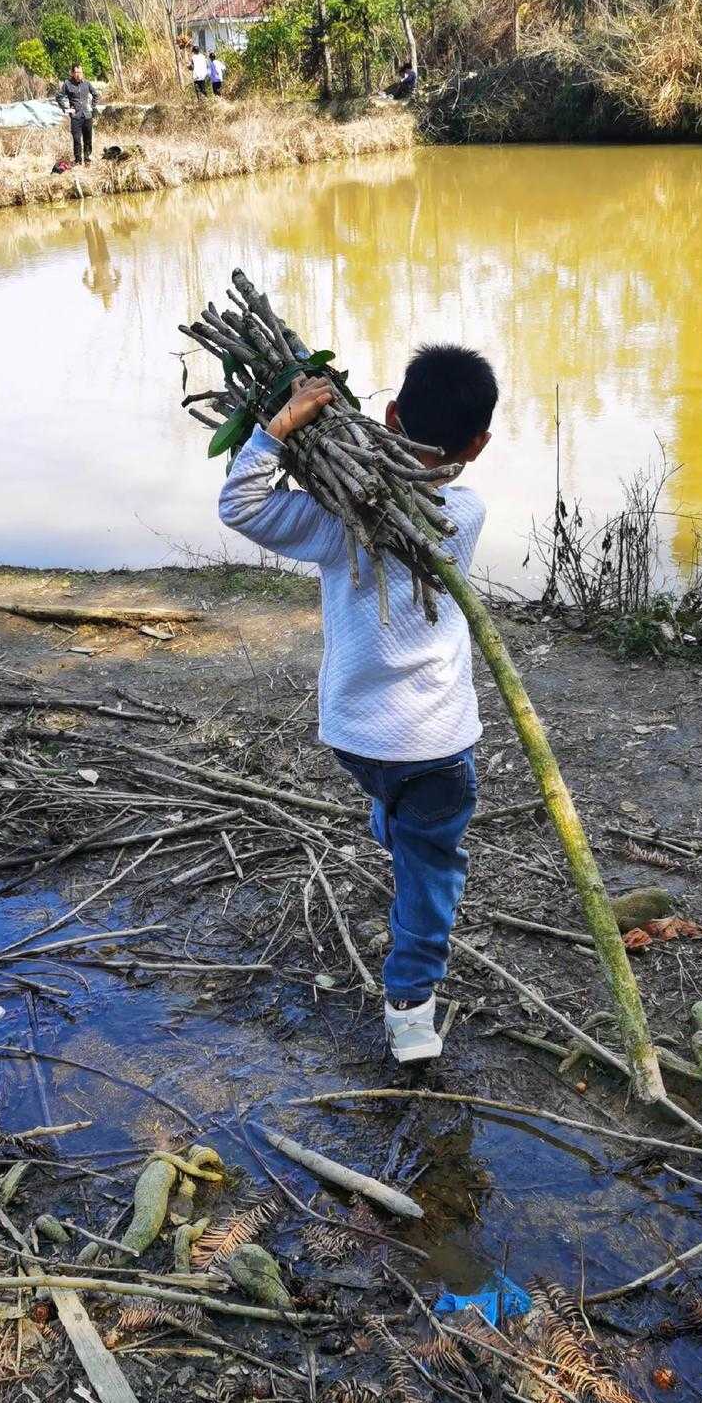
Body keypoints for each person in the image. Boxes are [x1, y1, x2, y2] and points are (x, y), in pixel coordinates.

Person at [219, 344, 498, 1064]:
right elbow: (412, 491)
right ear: (478, 444)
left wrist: (279, 431)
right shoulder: (464, 511)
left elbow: (239, 504)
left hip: (357, 738)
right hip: (436, 745)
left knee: (399, 811)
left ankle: (394, 827)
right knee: (432, 871)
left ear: (392, 414)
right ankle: (410, 1007)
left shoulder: (332, 515)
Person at [57, 64, 98, 166]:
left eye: (80, 72)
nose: (78, 74)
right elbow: (59, 97)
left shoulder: (87, 83)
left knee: (88, 139)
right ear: (72, 73)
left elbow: (95, 94)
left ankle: (87, 159)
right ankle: (78, 160)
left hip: (87, 115)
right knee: (77, 139)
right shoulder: (67, 84)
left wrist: (92, 106)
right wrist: (66, 109)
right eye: (76, 72)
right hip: (76, 117)